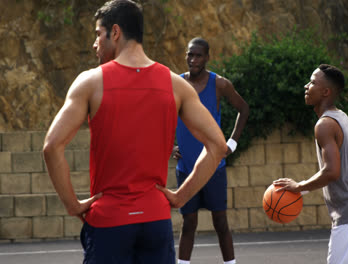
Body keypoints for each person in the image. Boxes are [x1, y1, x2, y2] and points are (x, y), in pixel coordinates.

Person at [42, 1, 227, 263]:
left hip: (109, 221)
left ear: (115, 32)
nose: (95, 44)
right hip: (156, 220)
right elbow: (218, 145)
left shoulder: (91, 82)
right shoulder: (176, 84)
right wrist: (179, 197)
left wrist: (73, 205)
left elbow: (51, 146)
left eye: (98, 34)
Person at [273, 64, 348, 264]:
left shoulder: (324, 125)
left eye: (313, 82)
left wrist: (299, 187)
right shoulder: (341, 117)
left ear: (326, 91)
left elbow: (332, 171)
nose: (307, 86)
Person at [172, 37, 249, 264]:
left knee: (220, 222)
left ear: (207, 57)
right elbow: (161, 117)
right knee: (189, 224)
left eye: (198, 55)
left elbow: (244, 110)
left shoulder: (220, 84)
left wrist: (231, 143)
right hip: (186, 167)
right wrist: (170, 146)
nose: (193, 59)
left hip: (214, 166)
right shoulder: (176, 83)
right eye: (190, 54)